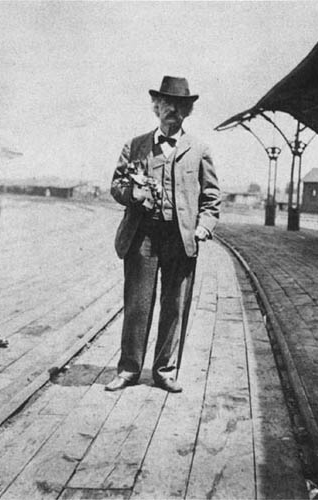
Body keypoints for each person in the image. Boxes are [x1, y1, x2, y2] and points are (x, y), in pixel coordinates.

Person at [106, 76, 220, 393]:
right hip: (141, 235)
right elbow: (116, 186)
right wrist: (134, 194)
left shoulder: (199, 150)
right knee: (137, 305)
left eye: (180, 106)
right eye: (167, 104)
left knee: (174, 306)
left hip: (179, 239)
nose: (173, 111)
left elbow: (212, 199)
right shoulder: (135, 146)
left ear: (187, 111)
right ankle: (129, 369)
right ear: (156, 107)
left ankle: (164, 371)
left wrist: (203, 227)